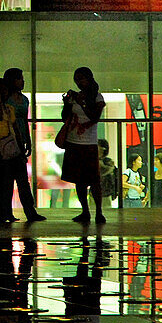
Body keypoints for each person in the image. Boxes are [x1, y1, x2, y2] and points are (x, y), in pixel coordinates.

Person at [59, 66, 106, 224]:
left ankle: (99, 212)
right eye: (77, 79)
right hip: (74, 142)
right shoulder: (76, 97)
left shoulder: (97, 97)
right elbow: (65, 117)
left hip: (89, 143)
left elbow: (95, 117)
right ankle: (85, 211)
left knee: (94, 180)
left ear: (89, 78)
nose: (79, 82)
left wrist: (82, 103)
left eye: (82, 78)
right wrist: (67, 103)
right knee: (79, 180)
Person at [1, 68, 44, 222]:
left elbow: (25, 121)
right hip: (9, 142)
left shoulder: (24, 99)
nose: (23, 81)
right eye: (20, 78)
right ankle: (14, 211)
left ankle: (28, 211)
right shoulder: (5, 99)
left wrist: (28, 140)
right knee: (11, 179)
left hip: (20, 141)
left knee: (21, 179)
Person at [98, 139, 118, 204]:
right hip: (93, 194)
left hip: (106, 194)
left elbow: (106, 172)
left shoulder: (108, 162)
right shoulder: (92, 161)